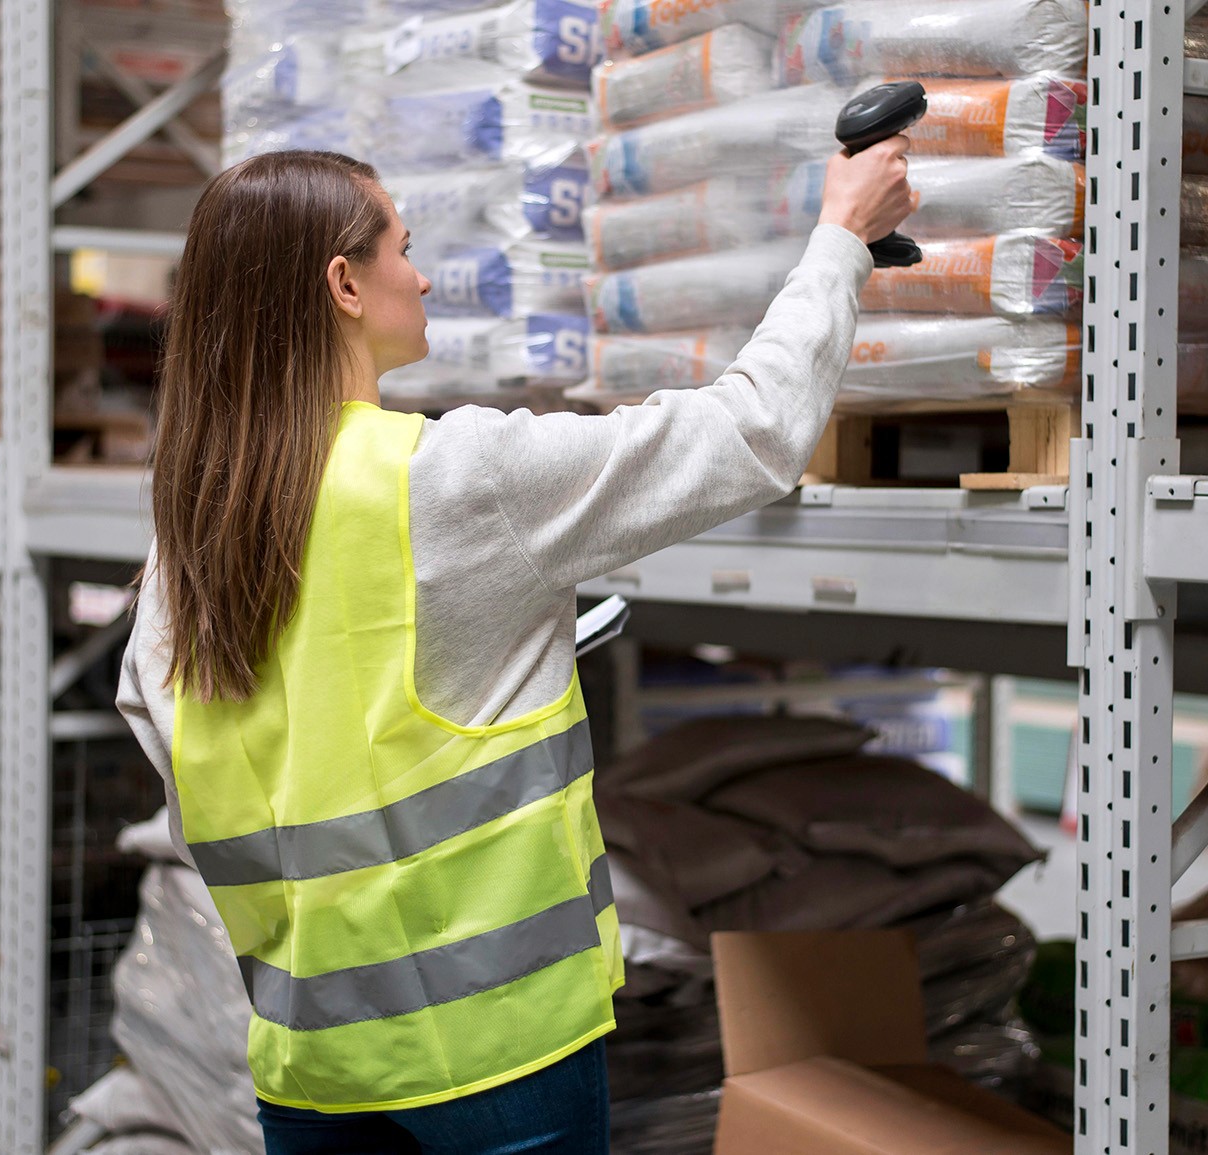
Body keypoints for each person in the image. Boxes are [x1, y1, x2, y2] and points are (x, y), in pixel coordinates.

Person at [118, 143, 915, 1155]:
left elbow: (180, 751)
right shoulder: (451, 480)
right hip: (499, 1066)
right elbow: (748, 433)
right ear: (343, 284)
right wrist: (842, 236)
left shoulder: (185, 535)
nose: (420, 274)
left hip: (310, 1070)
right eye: (402, 249)